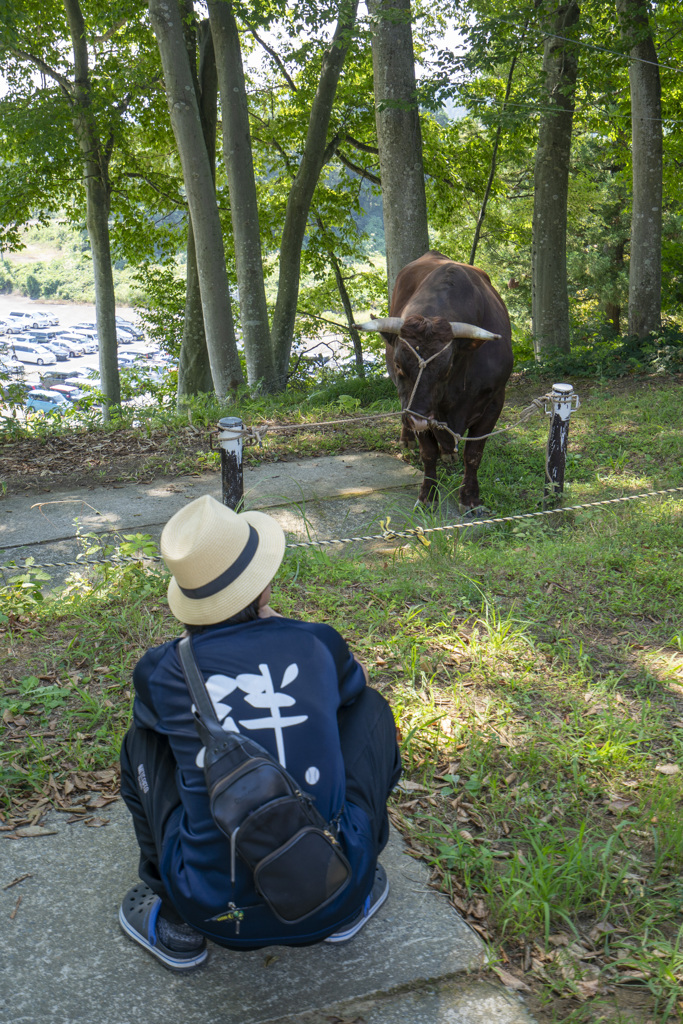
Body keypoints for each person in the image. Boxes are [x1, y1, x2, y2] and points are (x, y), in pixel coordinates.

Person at [118, 494, 402, 970]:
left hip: (210, 907)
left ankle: (174, 917)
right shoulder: (316, 642)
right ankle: (355, 878)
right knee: (369, 709)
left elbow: (155, 726)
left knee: (141, 742)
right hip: (336, 891)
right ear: (262, 584)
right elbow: (352, 696)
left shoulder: (162, 669)